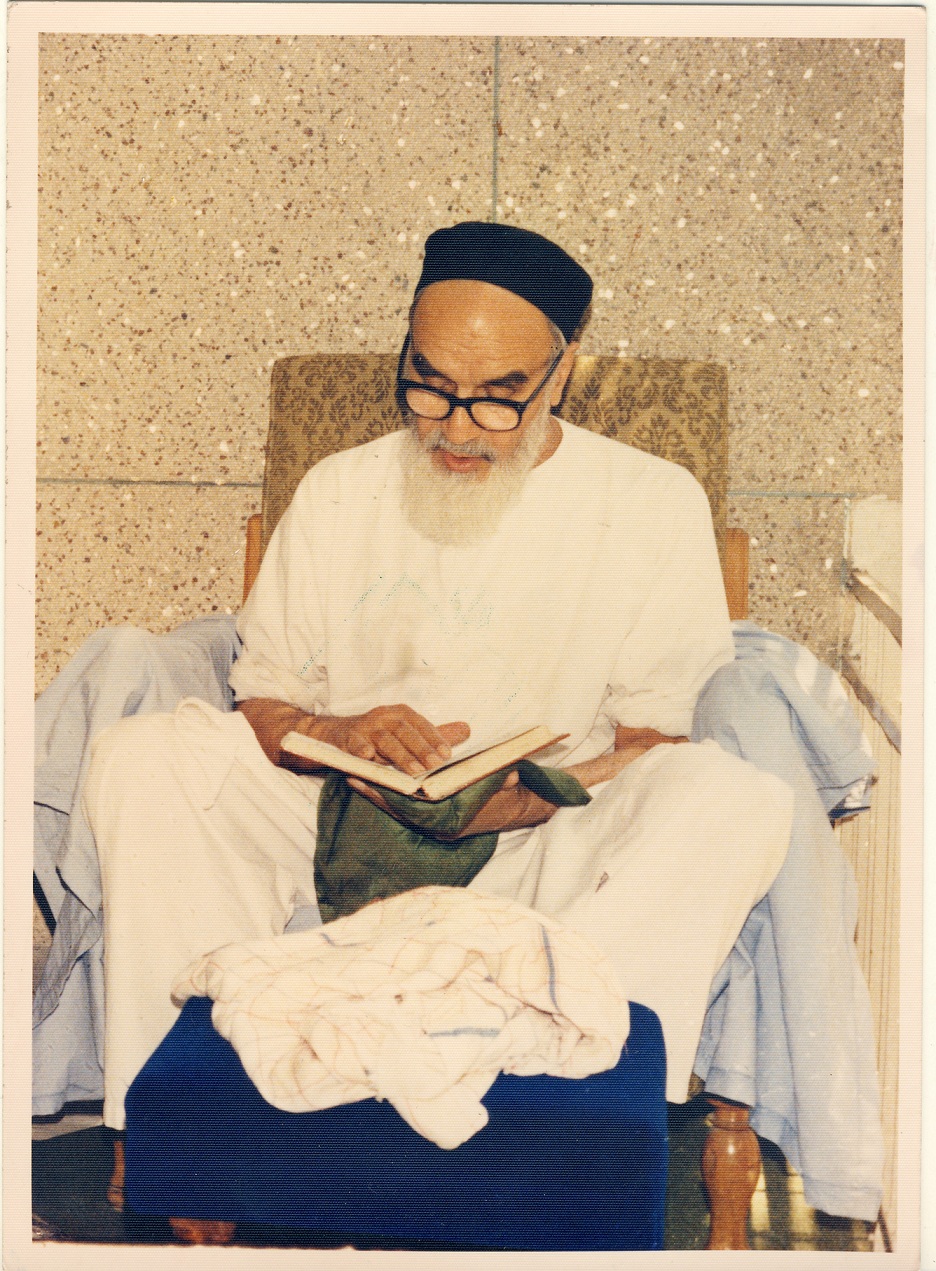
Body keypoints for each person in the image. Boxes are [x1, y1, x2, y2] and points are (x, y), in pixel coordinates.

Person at [84, 221, 793, 1131]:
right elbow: (261, 700)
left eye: (498, 399)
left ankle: (568, 1125)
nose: (456, 429)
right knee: (144, 758)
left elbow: (653, 744)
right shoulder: (340, 489)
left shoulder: (652, 501)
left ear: (561, 374)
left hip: (542, 848)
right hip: (334, 822)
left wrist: (532, 794)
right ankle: (176, 1124)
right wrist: (333, 734)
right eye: (429, 386)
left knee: (733, 798)